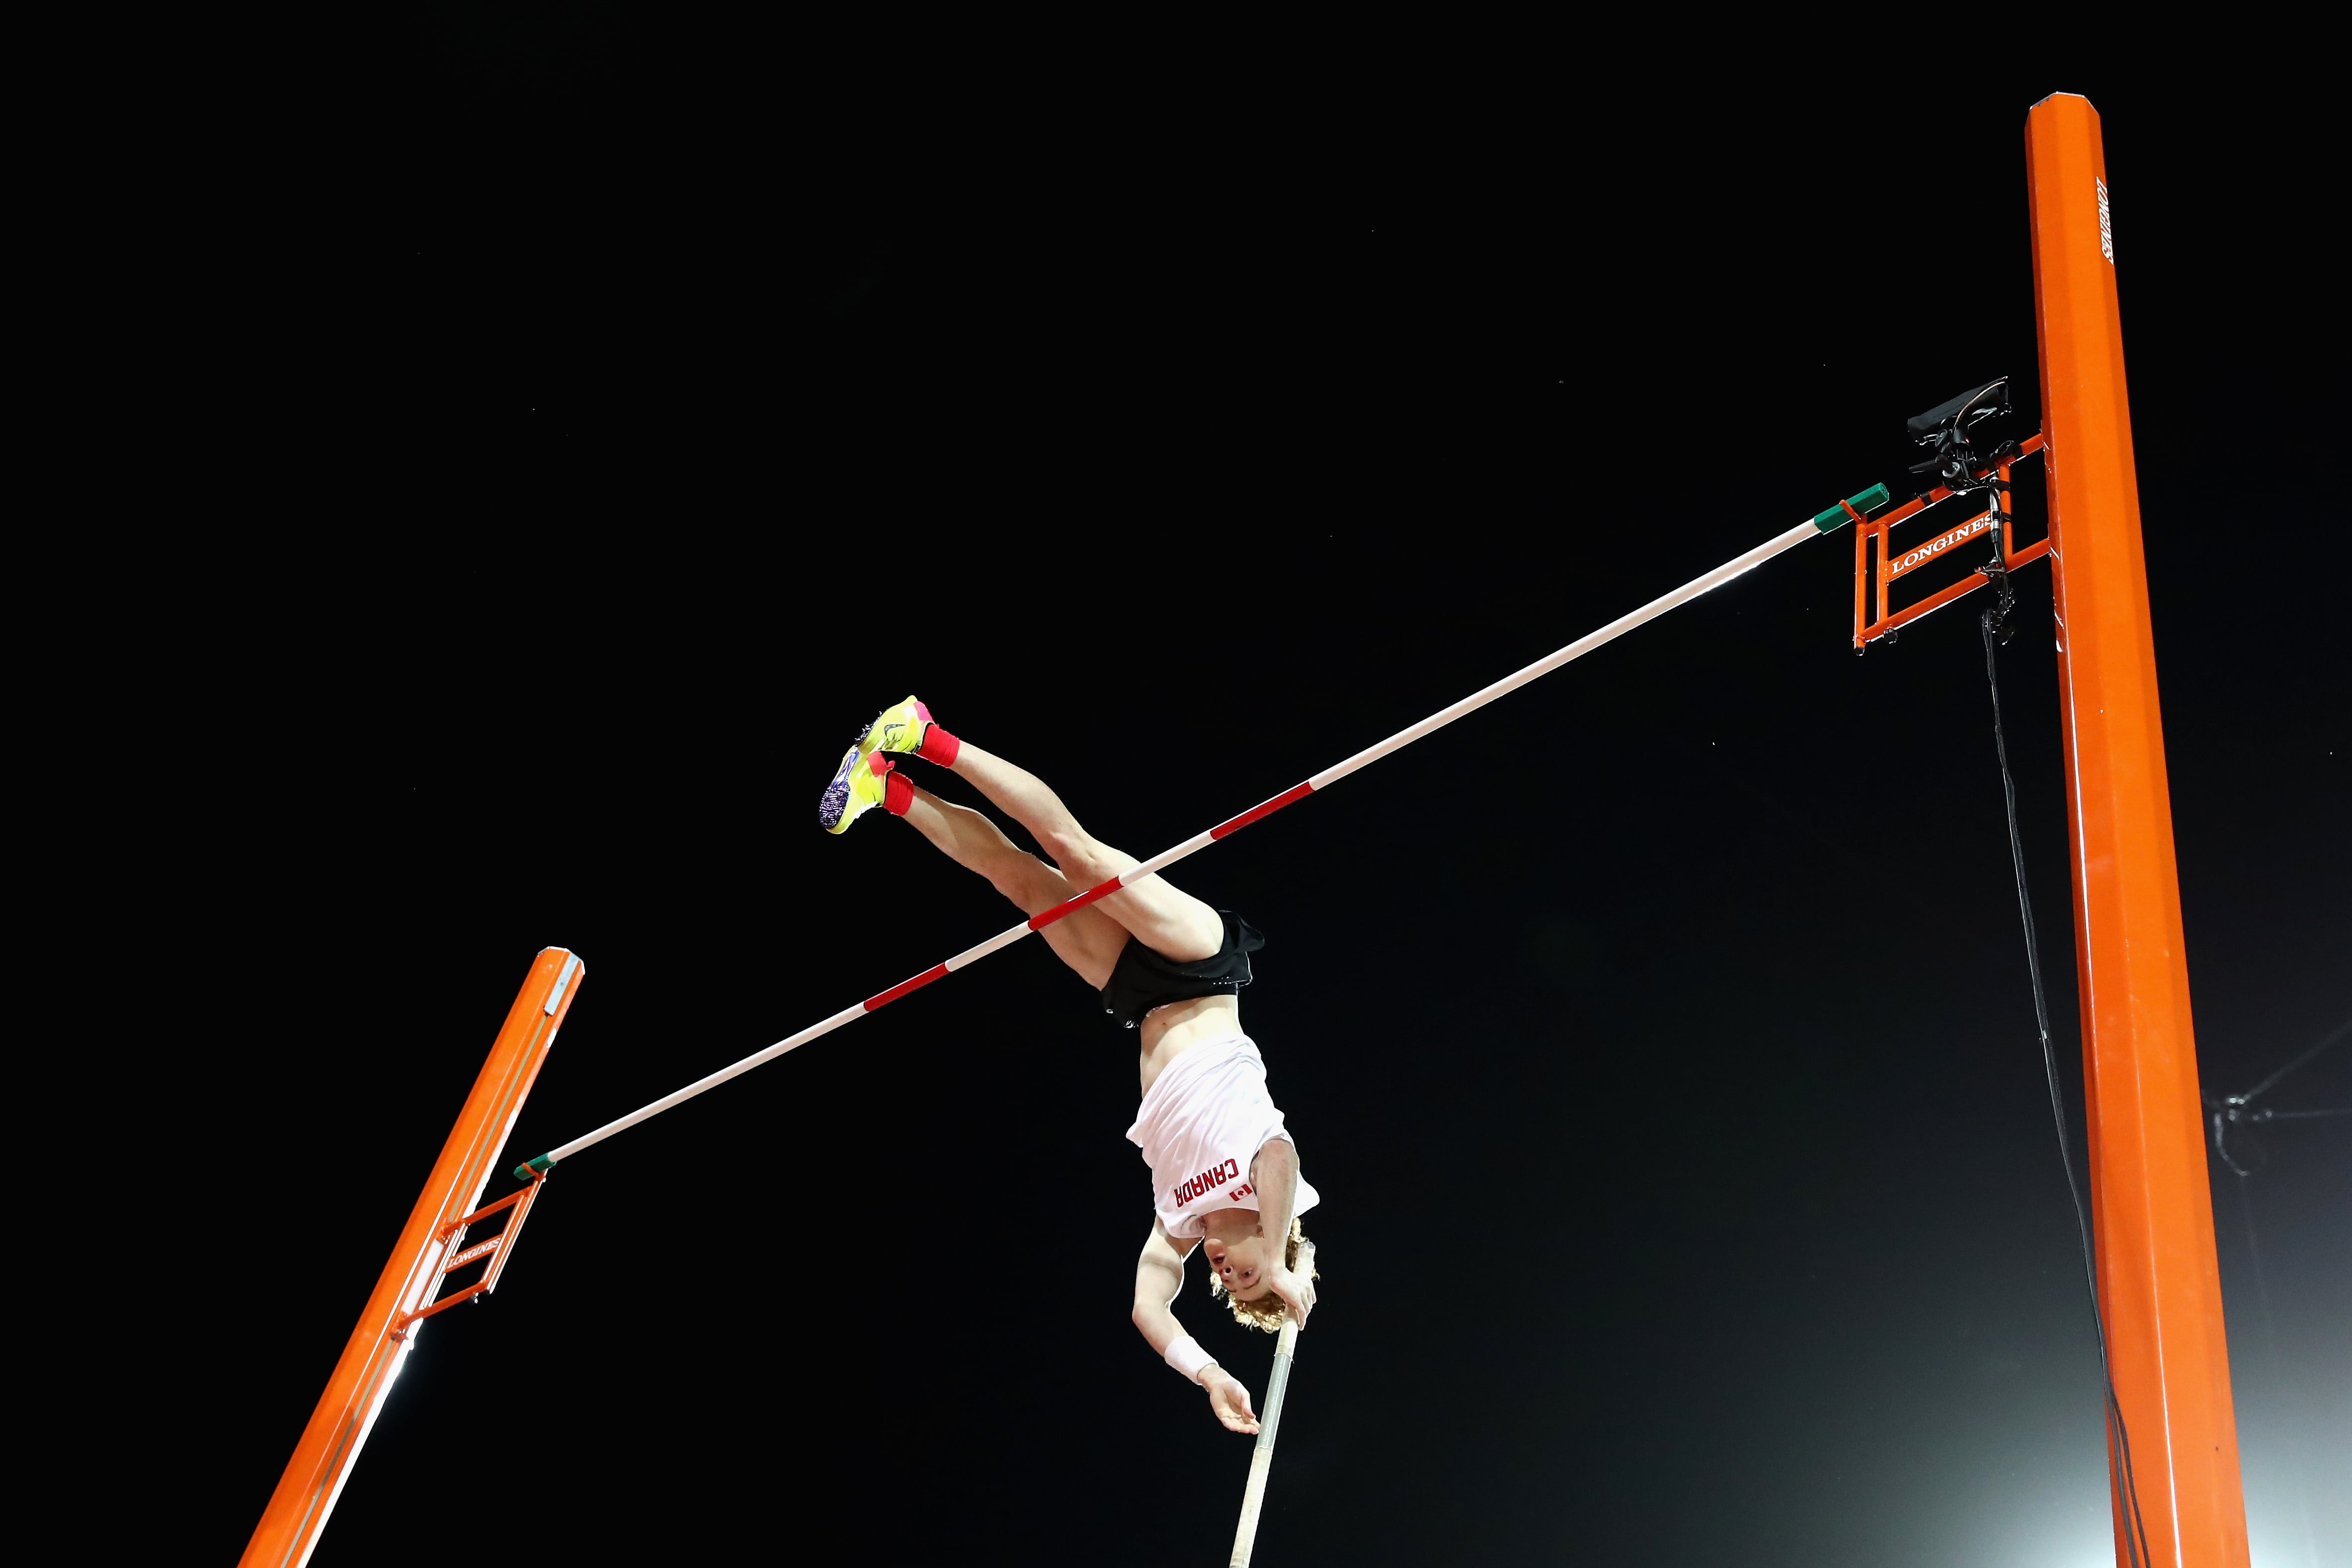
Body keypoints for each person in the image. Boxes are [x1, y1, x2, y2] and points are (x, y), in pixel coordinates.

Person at [820, 696, 1320, 1434]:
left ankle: (887, 788)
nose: (1227, 1270)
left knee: (1018, 881)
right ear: (1276, 1241)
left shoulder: (1180, 1219)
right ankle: (924, 733)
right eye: (1246, 1269)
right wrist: (1279, 1262)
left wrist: (1208, 1374)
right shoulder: (1270, 1182)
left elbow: (1148, 1301)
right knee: (1078, 854)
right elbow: (1278, 1152)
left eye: (1229, 1283)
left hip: (1137, 996)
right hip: (1200, 965)